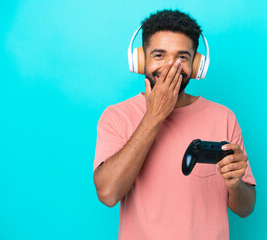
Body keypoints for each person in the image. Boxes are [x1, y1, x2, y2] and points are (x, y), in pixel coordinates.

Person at [93, 9, 256, 240]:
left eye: (182, 57)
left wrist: (236, 183)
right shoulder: (116, 116)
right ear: (140, 60)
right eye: (159, 55)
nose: (171, 67)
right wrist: (154, 116)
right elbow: (108, 194)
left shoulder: (224, 117)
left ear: (197, 64)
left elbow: (246, 208)